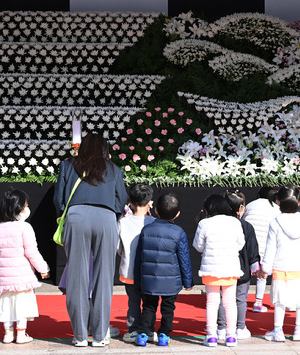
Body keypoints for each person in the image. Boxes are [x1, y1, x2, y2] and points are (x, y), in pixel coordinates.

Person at [53, 133, 128, 347]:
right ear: (105, 149)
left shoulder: (68, 165)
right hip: (105, 218)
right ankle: (99, 334)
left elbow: (59, 198)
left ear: (82, 147)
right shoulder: (113, 169)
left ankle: (79, 336)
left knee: (77, 278)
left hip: (76, 217)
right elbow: (121, 199)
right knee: (103, 278)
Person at [133, 193, 194, 347]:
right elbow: (184, 260)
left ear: (156, 211)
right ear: (178, 213)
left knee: (148, 306)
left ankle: (142, 335)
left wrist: (137, 279)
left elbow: (139, 257)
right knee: (168, 309)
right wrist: (188, 282)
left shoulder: (146, 230)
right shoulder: (179, 232)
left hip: (149, 279)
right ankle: (164, 336)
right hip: (171, 281)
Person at [0, 189, 50, 344]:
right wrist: (43, 269)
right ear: (19, 209)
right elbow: (32, 252)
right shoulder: (25, 228)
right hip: (22, 277)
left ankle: (8, 334)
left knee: (7, 304)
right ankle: (21, 334)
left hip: (6, 278)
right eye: (26, 206)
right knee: (22, 304)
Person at [259, 185, 300, 342]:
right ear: (299, 202)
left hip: (281, 268)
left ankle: (278, 331)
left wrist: (265, 268)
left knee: (280, 301)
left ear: (279, 202)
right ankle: (298, 331)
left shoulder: (276, 222)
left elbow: (270, 248)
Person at [193, 194, 245, 347]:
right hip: (230, 267)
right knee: (230, 303)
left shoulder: (204, 223)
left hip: (210, 268)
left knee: (212, 302)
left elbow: (198, 246)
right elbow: (240, 244)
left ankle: (211, 336)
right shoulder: (235, 222)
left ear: (207, 209)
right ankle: (231, 336)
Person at [216, 190, 260, 341]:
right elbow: (253, 251)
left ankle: (221, 328)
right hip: (242, 270)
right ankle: (240, 327)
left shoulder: (217, 225)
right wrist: (256, 270)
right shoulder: (247, 227)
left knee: (223, 298)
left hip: (222, 268)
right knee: (240, 299)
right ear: (241, 208)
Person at [117, 183, 155, 343]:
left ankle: (132, 330)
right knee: (149, 302)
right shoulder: (154, 222)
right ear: (150, 203)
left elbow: (118, 248)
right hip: (149, 271)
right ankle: (149, 330)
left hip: (129, 270)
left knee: (133, 301)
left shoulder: (122, 222)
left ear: (130, 202)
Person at [241, 187, 280, 313]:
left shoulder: (251, 205)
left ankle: (241, 301)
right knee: (262, 276)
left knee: (246, 275)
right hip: (265, 247)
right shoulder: (276, 209)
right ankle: (258, 303)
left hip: (248, 247)